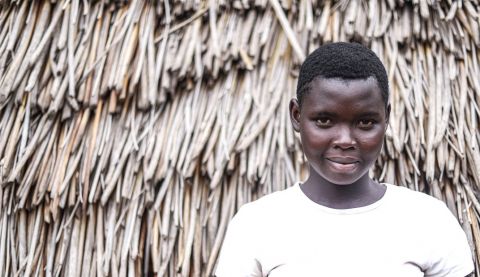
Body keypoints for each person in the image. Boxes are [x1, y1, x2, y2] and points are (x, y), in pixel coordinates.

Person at [214, 42, 474, 277]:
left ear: (386, 118)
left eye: (365, 122)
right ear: (296, 115)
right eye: (324, 120)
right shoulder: (256, 224)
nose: (345, 140)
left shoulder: (428, 220)